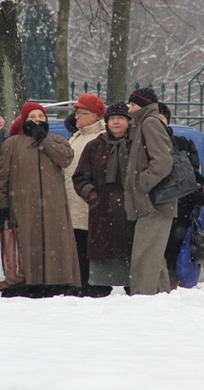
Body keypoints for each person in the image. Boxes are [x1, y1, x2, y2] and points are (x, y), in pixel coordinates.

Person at [0, 102, 81, 298]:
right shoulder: (12, 143)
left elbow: (65, 159)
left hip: (53, 209)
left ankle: (56, 282)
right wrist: (2, 206)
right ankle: (27, 282)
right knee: (26, 247)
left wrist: (44, 139)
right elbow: (2, 178)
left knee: (54, 246)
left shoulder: (56, 141)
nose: (37, 120)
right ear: (24, 120)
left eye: (41, 117)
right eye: (32, 117)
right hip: (23, 208)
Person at [73, 101, 135, 294]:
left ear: (128, 121)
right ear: (106, 122)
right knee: (102, 257)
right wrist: (93, 196)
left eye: (121, 118)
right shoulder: (95, 146)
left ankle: (132, 287)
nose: (116, 122)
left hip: (131, 212)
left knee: (132, 253)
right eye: (112, 119)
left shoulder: (137, 145)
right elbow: (80, 177)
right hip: (103, 213)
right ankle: (99, 290)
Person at [124, 87, 176, 295]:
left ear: (143, 105)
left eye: (133, 105)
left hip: (155, 201)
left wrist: (141, 183)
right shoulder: (145, 123)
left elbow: (163, 162)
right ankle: (160, 296)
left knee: (144, 254)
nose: (129, 109)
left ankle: (143, 298)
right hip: (154, 201)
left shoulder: (150, 123)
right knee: (152, 254)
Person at [158, 102, 204, 289]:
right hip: (156, 204)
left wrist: (196, 204)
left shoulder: (184, 143)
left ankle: (173, 286)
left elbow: (197, 177)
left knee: (176, 251)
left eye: (162, 119)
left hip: (182, 206)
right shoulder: (141, 144)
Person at [63, 93, 108, 297]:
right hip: (72, 207)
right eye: (76, 112)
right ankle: (78, 284)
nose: (76, 116)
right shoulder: (77, 136)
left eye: (81, 112)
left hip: (87, 206)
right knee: (76, 250)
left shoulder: (100, 137)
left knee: (87, 250)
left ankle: (90, 287)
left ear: (94, 116)